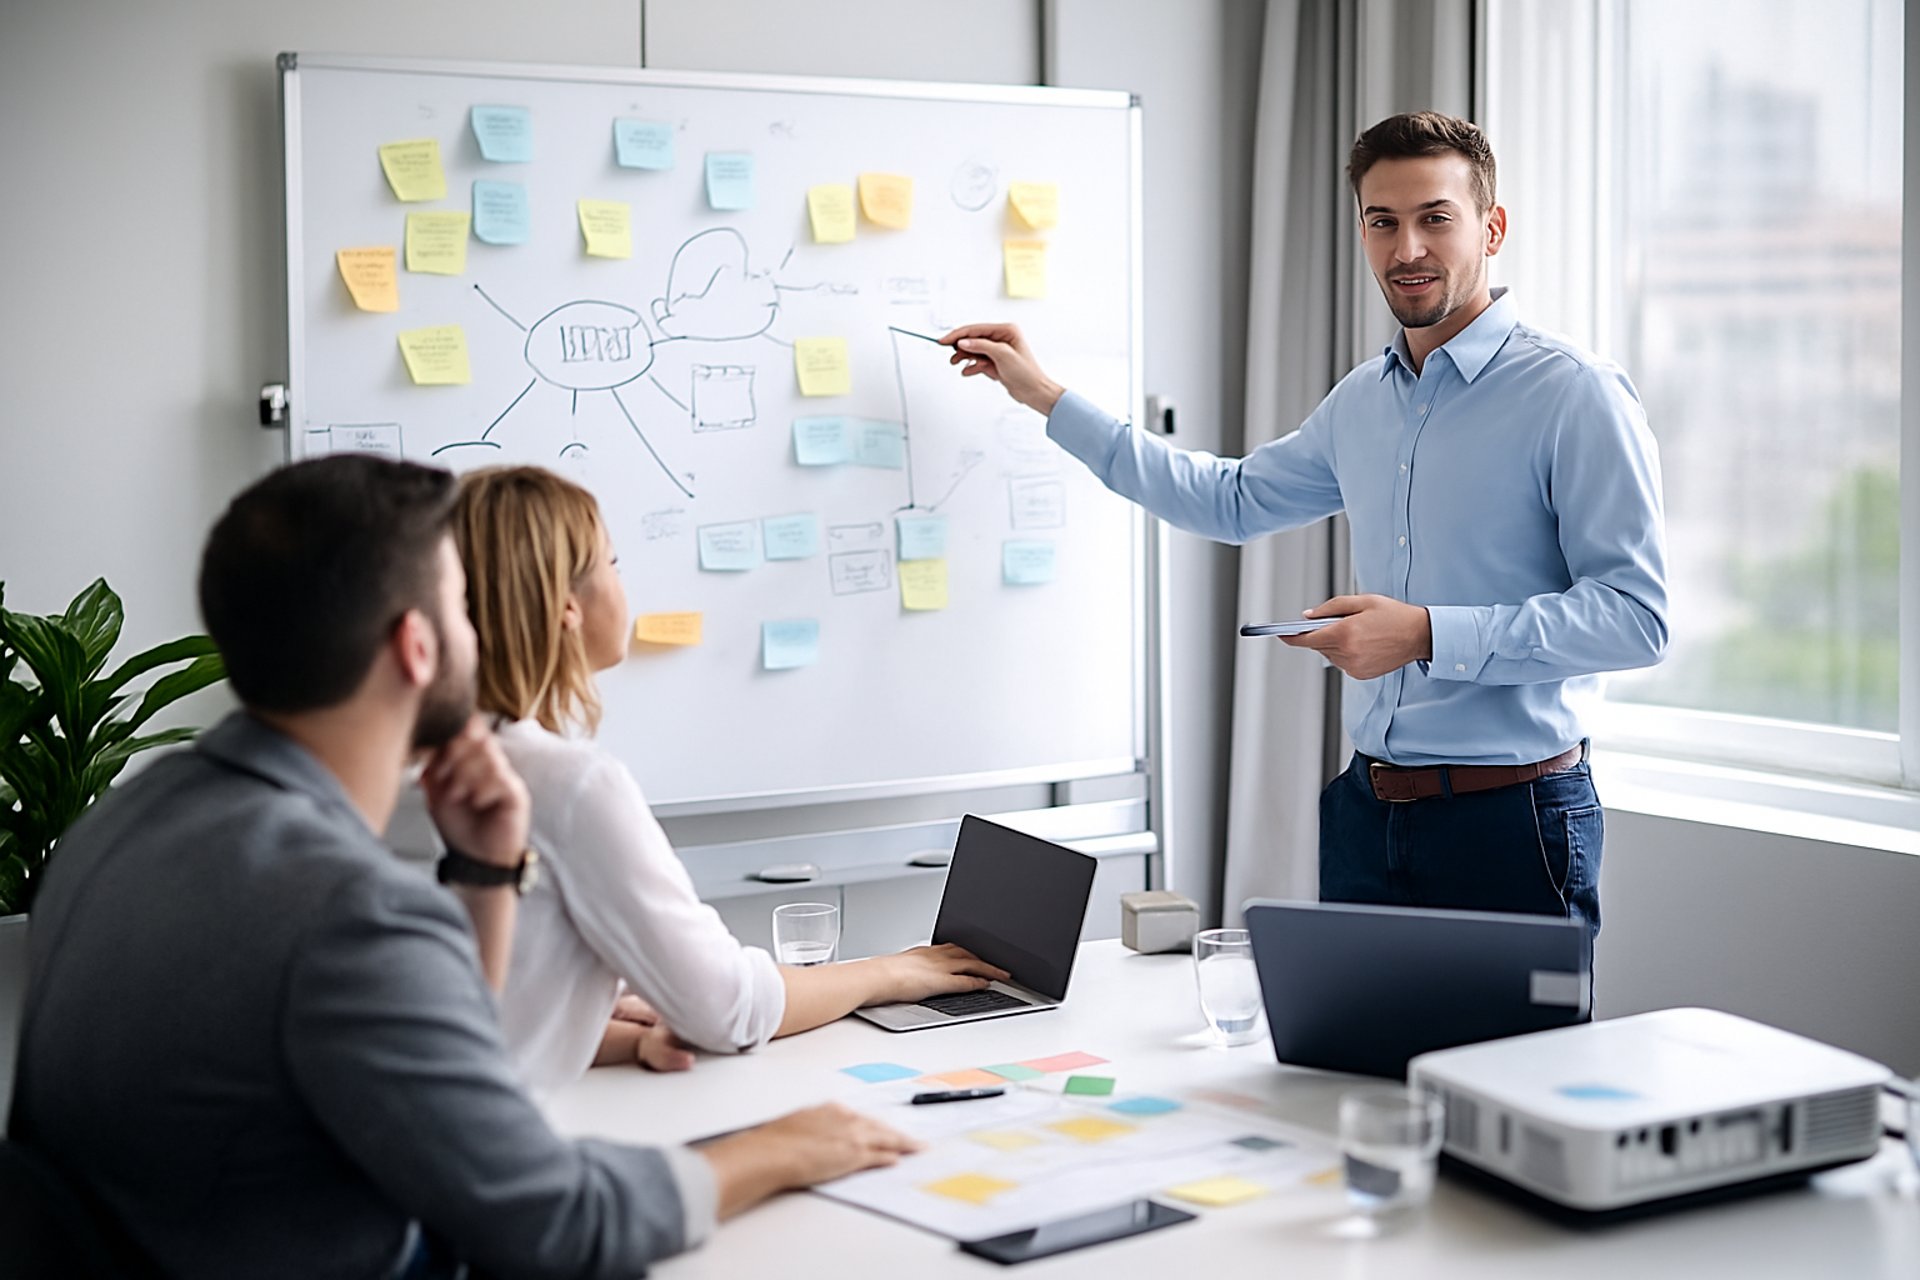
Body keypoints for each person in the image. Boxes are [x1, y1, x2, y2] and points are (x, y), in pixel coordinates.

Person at [7, 455, 921, 1279]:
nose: (486, 630)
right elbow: (555, 1222)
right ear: (419, 646)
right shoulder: (349, 912)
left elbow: (433, 1067)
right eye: (461, 608)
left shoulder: (128, 814)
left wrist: (486, 881)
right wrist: (778, 1149)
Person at [941, 111, 1668, 936]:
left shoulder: (1574, 393)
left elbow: (1636, 619)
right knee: (1350, 1068)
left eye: (1436, 218)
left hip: (1514, 821)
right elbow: (1230, 500)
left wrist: (1428, 633)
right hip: (1367, 813)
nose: (1407, 250)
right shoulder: (1363, 400)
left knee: (1508, 1070)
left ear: (1492, 228)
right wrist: (1045, 396)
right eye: (1382, 222)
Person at [424, 465, 1006, 1092]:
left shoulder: (425, 765)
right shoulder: (565, 785)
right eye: (613, 564)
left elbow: (496, 995)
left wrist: (620, 1033)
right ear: (567, 605)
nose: (624, 584)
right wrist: (891, 972)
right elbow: (728, 1007)